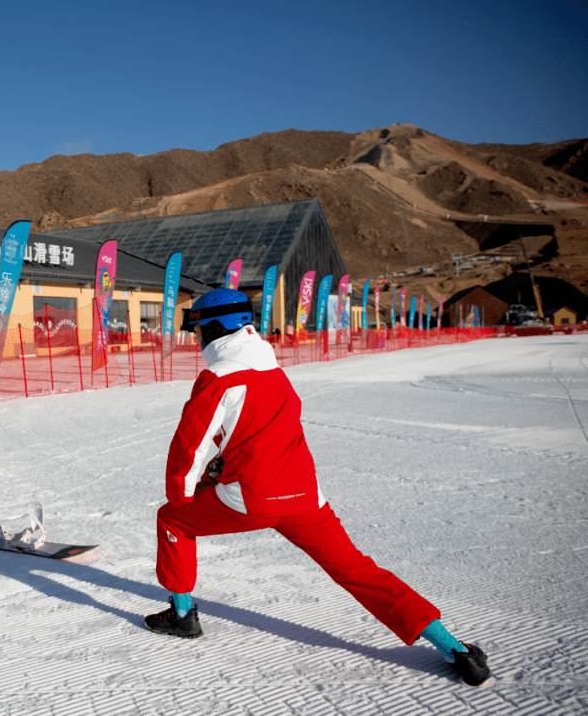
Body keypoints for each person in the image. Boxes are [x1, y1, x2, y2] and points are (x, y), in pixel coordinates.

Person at [145, 288, 492, 687]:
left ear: (215, 328)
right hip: (305, 497)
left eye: (199, 330)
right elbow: (258, 432)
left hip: (250, 498)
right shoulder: (273, 369)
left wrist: (183, 494)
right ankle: (454, 648)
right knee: (355, 568)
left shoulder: (219, 377)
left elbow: (189, 445)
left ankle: (183, 616)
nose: (197, 339)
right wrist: (224, 465)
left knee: (173, 519)